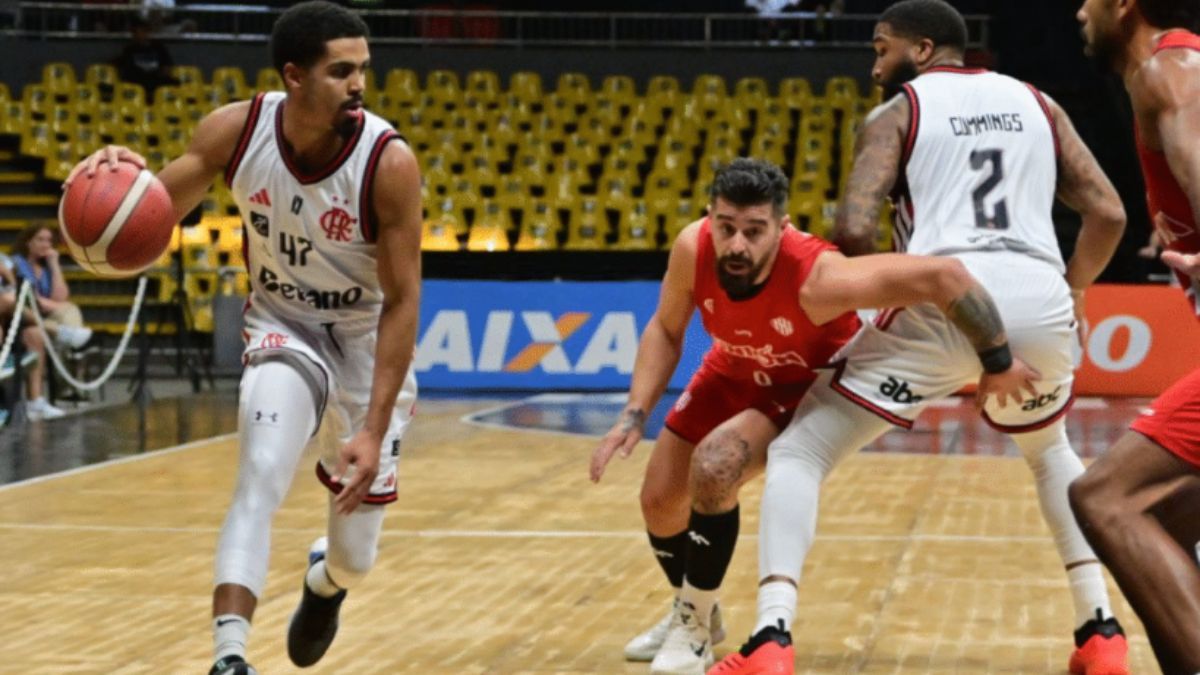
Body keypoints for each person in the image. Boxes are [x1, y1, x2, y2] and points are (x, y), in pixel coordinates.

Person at [708, 2, 1131, 674]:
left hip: (940, 295)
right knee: (1051, 451)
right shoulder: (1039, 103)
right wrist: (1074, 289)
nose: (876, 65)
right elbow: (1108, 213)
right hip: (1040, 299)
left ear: (924, 49)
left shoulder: (897, 113)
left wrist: (884, 296)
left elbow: (853, 228)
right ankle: (1101, 631)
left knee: (800, 452)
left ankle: (771, 638)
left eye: (883, 49)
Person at [66, 3, 422, 674]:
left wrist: (374, 428)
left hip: (363, 341)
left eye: (363, 70)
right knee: (259, 472)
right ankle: (229, 655)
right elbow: (143, 214)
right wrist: (111, 179)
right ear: (294, 76)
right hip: (284, 326)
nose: (358, 85)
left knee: (355, 558)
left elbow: (403, 302)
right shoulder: (236, 130)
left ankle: (325, 582)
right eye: (340, 71)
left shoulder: (388, 161)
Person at [590, 157, 1040, 675]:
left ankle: (690, 626)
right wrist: (634, 414)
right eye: (726, 227)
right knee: (659, 502)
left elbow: (945, 276)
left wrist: (997, 361)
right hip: (732, 366)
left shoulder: (819, 277)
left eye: (754, 231)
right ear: (709, 216)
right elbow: (667, 329)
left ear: (781, 228)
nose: (736, 245)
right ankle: (699, 611)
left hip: (802, 382)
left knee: (716, 464)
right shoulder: (693, 247)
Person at [1068, 0, 1200, 671]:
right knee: (1163, 520)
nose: (1078, 11)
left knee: (1105, 497)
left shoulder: (1167, 71)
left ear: (1124, 6)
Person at [9, 224, 94, 418]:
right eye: (40, 239)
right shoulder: (16, 264)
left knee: (70, 309)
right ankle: (65, 338)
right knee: (39, 328)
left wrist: (55, 265)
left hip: (43, 317)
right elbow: (27, 298)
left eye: (49, 240)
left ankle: (68, 340)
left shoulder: (46, 267)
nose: (46, 245)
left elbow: (60, 297)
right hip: (22, 317)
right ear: (28, 242)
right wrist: (51, 304)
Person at [112, 16, 180, 97]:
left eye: (141, 32)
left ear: (147, 32)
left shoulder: (158, 47)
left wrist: (163, 72)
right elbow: (126, 69)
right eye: (135, 33)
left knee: (174, 83)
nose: (138, 35)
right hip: (138, 81)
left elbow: (167, 66)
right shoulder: (130, 49)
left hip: (155, 79)